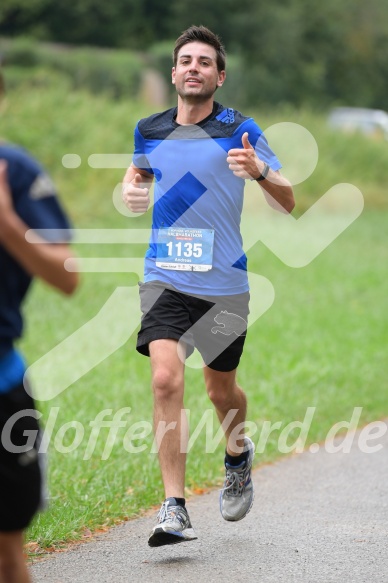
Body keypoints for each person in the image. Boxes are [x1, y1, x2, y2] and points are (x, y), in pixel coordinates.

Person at [122, 25, 294, 547]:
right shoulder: (148, 129)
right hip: (164, 278)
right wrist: (130, 190)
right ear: (174, 72)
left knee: (220, 390)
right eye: (185, 60)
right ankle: (174, 507)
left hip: (224, 285)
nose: (193, 67)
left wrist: (260, 171)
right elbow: (139, 174)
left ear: (219, 76)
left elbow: (288, 200)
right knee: (165, 380)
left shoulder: (240, 129)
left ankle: (237, 454)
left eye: (204, 62)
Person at [0, 70, 78, 582]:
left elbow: (68, 277)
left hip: (1, 387)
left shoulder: (16, 171)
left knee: (7, 555)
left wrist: (7, 224)